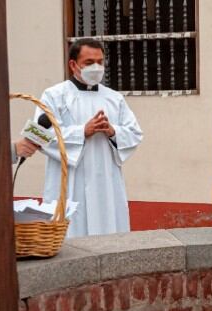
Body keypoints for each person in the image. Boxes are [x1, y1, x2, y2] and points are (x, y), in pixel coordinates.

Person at [33, 37, 142, 238]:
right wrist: (82, 131)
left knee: (109, 232)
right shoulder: (54, 95)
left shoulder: (114, 98)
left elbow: (135, 133)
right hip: (70, 180)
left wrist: (113, 131)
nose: (96, 67)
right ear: (73, 65)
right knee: (72, 235)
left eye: (100, 62)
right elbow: (40, 135)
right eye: (89, 63)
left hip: (106, 181)